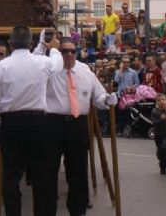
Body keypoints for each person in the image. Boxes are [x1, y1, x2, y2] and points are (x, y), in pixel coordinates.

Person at [0, 26, 62, 216]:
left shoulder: (0, 67)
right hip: (38, 123)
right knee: (40, 176)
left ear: (10, 44)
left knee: (10, 176)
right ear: (31, 43)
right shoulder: (42, 62)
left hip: (11, 123)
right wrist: (53, 47)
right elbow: (57, 63)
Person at [39, 37, 117, 216]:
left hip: (78, 124)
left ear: (77, 53)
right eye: (64, 51)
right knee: (48, 171)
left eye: (72, 51)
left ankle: (78, 210)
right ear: (59, 53)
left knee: (78, 171)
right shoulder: (50, 69)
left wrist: (107, 100)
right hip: (52, 124)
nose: (69, 55)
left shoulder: (85, 71)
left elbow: (98, 96)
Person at [151, 93, 166, 174]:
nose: (161, 102)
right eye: (159, 100)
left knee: (165, 146)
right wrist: (161, 119)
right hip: (158, 134)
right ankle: (163, 166)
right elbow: (154, 122)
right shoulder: (155, 111)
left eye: (163, 100)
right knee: (161, 150)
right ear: (156, 103)